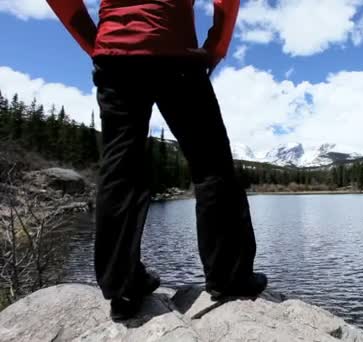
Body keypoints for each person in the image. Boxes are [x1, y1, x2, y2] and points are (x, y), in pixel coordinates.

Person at [47, 0, 267, 320]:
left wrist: (95, 41)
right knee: (211, 167)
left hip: (115, 56)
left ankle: (123, 285)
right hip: (175, 50)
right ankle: (229, 277)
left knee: (119, 170)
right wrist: (216, 46)